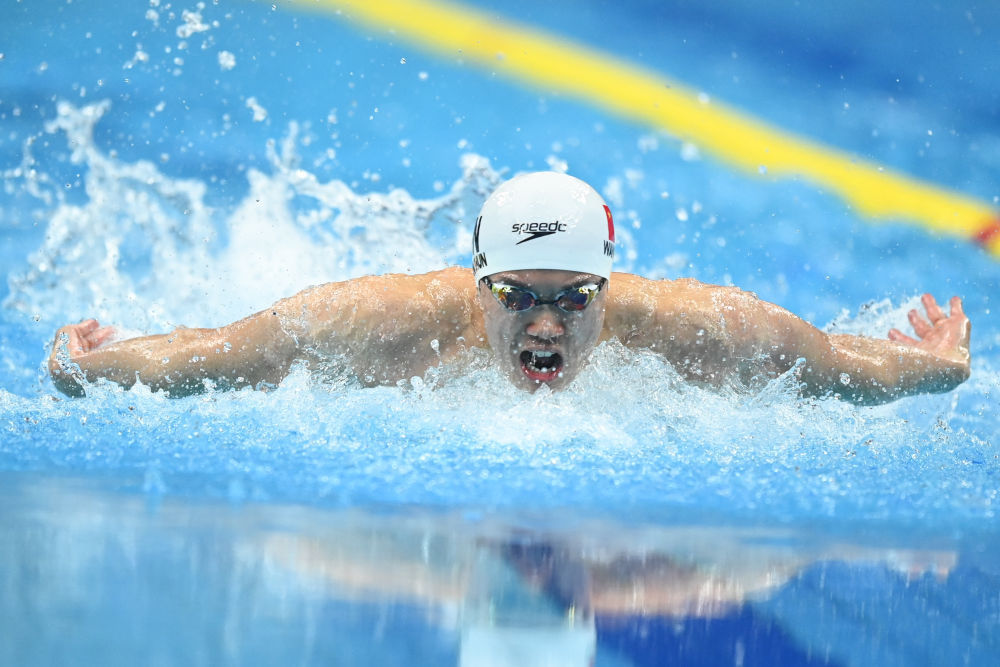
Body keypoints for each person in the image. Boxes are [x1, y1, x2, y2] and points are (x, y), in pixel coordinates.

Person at [47, 171, 971, 404]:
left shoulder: (697, 327)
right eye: (518, 295)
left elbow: (839, 365)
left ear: (607, 287)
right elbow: (216, 354)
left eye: (574, 298)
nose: (546, 323)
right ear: (478, 282)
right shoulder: (379, 321)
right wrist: (90, 366)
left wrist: (933, 368)